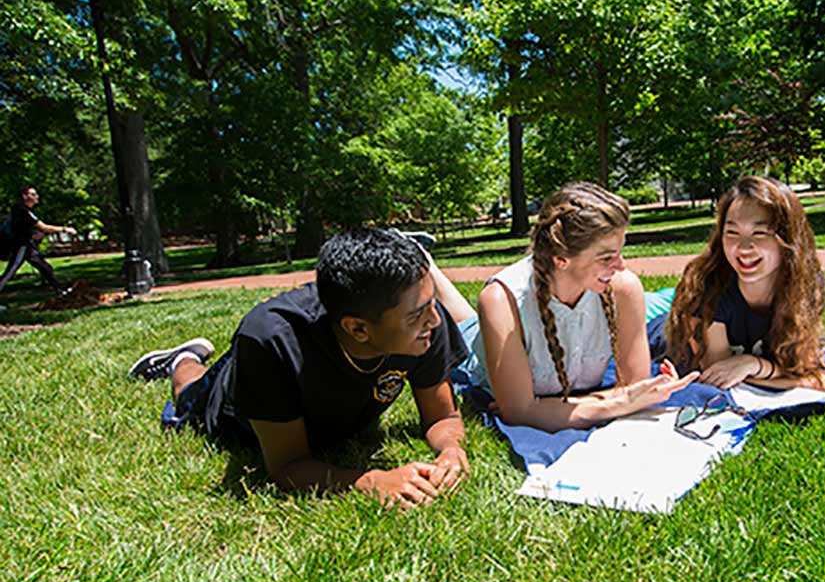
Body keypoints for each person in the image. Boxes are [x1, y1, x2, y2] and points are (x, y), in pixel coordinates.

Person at [128, 228, 470, 510]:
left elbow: (441, 417)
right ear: (359, 329)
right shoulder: (271, 341)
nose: (436, 320)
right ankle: (182, 360)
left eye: (431, 304)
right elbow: (287, 466)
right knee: (191, 394)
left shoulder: (422, 323)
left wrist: (451, 450)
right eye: (418, 314)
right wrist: (370, 480)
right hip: (236, 404)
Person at [429, 182, 697, 433]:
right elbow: (518, 413)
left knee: (469, 318)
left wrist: (544, 408)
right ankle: (425, 261)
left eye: (620, 251)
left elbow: (636, 387)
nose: (621, 265)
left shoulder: (624, 288)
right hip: (476, 354)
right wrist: (617, 400)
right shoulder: (502, 300)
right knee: (465, 326)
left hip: (517, 334)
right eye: (607, 257)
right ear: (561, 260)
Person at [660, 175, 825, 392]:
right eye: (732, 232)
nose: (744, 247)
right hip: (661, 334)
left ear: (788, 239)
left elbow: (796, 364)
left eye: (760, 233)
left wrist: (753, 365)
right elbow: (721, 378)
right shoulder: (706, 288)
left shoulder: (804, 287)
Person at [0, 185, 76, 295]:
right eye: (33, 194)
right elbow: (43, 227)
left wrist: (32, 234)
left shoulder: (21, 210)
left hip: (27, 245)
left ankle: (60, 291)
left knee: (45, 267)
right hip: (21, 246)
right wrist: (65, 229)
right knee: (10, 272)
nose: (37, 196)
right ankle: (60, 290)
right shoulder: (23, 211)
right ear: (25, 196)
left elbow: (21, 228)